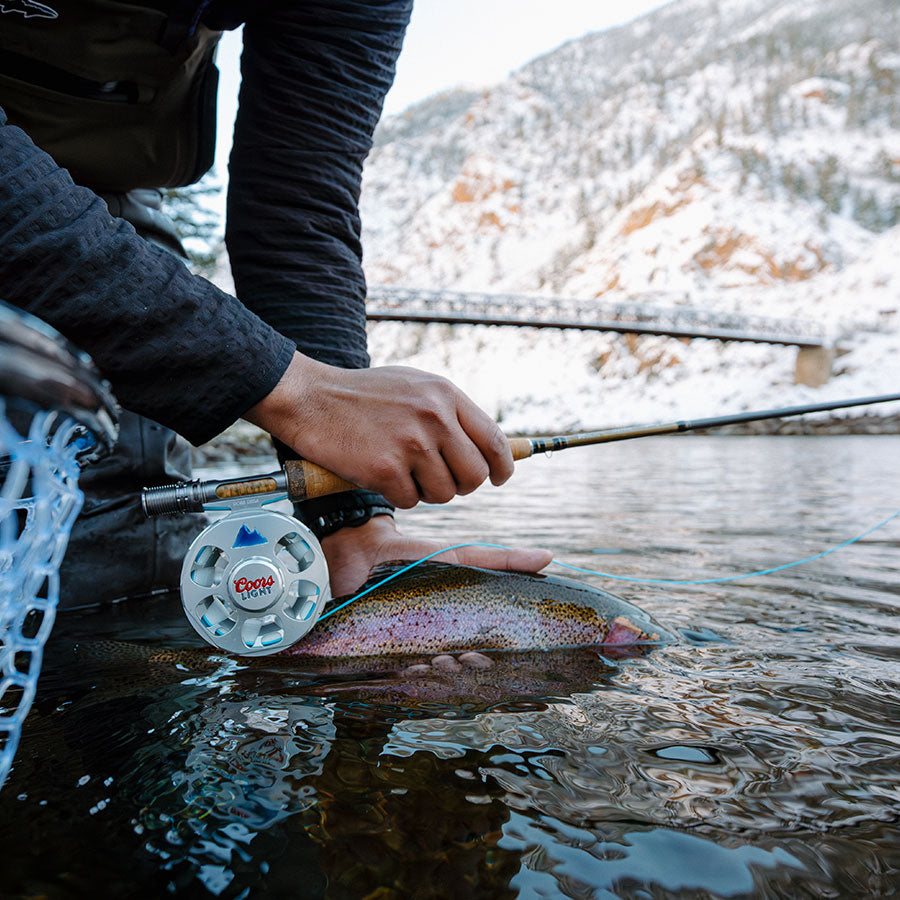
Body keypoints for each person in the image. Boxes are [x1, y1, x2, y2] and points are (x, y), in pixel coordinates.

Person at [0, 0, 551, 604]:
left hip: (107, 208)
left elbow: (297, 209)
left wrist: (350, 517)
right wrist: (297, 391)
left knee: (114, 556)